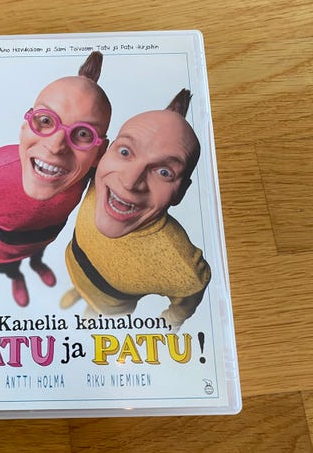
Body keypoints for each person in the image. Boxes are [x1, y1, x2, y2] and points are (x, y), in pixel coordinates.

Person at [0, 52, 111, 307]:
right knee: (9, 267)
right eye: (45, 120)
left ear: (98, 154)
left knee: (38, 253)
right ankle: (16, 277)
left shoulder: (88, 171)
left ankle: (37, 263)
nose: (55, 146)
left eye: (82, 134)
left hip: (45, 238)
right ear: (24, 128)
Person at [61, 89, 211, 331]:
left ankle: (93, 310)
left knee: (97, 312)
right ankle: (78, 291)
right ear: (104, 154)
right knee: (79, 282)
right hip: (74, 264)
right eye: (125, 152)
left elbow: (186, 301)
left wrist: (170, 324)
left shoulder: (184, 267)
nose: (130, 182)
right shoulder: (97, 174)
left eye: (164, 172)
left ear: (181, 192)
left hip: (112, 305)